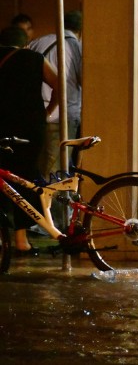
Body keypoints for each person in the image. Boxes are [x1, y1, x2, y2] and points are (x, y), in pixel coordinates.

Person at [0, 26, 58, 256]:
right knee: (24, 177)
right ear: (25, 43)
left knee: (2, 178)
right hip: (30, 127)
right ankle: (21, 240)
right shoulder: (35, 58)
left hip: (2, 125)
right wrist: (47, 111)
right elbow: (59, 84)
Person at [29, 10, 82, 178]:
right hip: (63, 116)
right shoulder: (76, 47)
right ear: (80, 30)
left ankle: (36, 203)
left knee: (38, 165)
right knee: (56, 171)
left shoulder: (38, 42)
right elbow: (84, 80)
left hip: (37, 114)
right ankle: (53, 205)